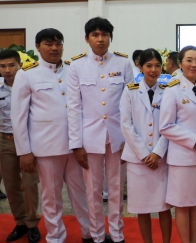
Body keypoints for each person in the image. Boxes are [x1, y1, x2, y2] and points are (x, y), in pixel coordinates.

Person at [11, 28, 91, 243]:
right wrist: (24, 151)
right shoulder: (27, 73)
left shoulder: (73, 70)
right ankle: (55, 237)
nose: (54, 48)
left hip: (76, 145)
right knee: (51, 197)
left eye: (58, 43)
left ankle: (89, 234)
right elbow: (18, 116)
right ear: (37, 47)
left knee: (81, 194)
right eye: (48, 44)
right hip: (46, 146)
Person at [68, 17, 134, 243]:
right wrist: (76, 144)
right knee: (93, 189)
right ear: (87, 39)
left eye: (104, 34)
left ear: (110, 38)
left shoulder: (123, 63)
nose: (100, 39)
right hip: (89, 137)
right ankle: (96, 235)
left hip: (118, 136)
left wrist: (129, 138)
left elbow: (130, 104)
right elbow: (74, 107)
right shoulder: (76, 65)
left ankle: (117, 234)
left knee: (116, 188)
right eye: (95, 35)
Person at [159, 46, 196, 243]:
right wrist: (195, 140)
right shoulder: (173, 89)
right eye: (189, 60)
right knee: (183, 205)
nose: (194, 64)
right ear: (181, 63)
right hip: (182, 158)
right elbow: (165, 126)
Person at [120, 49, 172, 243]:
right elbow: (126, 124)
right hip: (137, 160)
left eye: (157, 65)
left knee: (164, 207)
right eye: (149, 65)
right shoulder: (130, 90)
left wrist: (157, 153)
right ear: (140, 67)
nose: (153, 69)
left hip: (161, 158)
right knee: (142, 208)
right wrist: (144, 154)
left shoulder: (167, 92)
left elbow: (170, 125)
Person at [0, 49, 41, 243]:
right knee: (11, 186)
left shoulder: (29, 85)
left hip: (28, 142)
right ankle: (20, 223)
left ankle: (32, 224)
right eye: (2, 66)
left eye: (11, 65)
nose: (7, 70)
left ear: (20, 65)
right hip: (5, 142)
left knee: (30, 184)